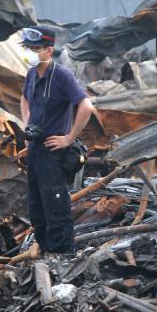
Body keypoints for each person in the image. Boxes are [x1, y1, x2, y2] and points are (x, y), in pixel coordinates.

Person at [19, 25, 95, 255]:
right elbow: (24, 99)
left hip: (53, 153)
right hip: (35, 152)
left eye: (36, 48)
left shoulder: (61, 75)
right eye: (28, 48)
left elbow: (86, 106)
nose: (31, 52)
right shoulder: (32, 74)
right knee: (37, 209)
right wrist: (27, 125)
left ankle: (63, 259)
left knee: (56, 210)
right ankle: (44, 254)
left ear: (49, 50)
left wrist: (69, 138)